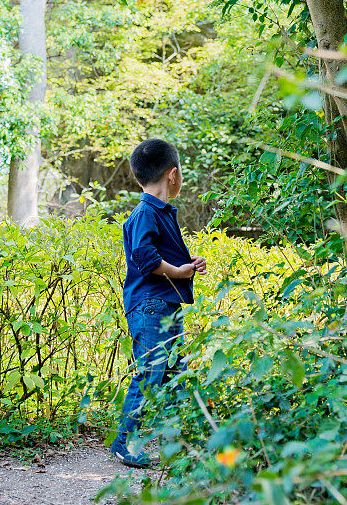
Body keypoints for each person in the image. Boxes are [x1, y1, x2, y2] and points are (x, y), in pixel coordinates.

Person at [110, 139, 206, 468]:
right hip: (150, 306)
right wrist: (178, 272)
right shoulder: (145, 212)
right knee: (150, 372)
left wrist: (185, 264)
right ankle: (124, 443)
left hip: (164, 306)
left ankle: (178, 444)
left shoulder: (158, 212)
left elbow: (157, 254)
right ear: (173, 175)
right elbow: (145, 258)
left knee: (175, 372)